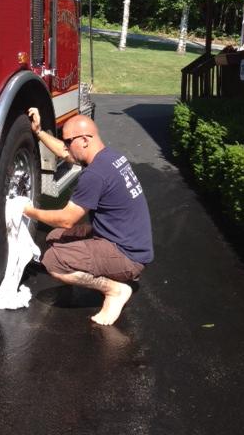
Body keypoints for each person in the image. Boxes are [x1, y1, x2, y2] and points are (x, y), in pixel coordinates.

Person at [24, 107, 154, 326]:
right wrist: (38, 132)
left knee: (53, 261)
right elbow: (65, 153)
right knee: (55, 237)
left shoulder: (95, 174)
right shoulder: (109, 156)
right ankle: (112, 274)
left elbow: (66, 218)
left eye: (68, 141)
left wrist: (27, 209)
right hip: (125, 240)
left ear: (84, 140)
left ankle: (116, 290)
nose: (65, 146)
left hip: (128, 255)